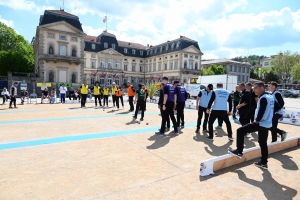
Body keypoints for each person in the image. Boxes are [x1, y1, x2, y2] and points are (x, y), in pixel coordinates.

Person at [228, 82, 275, 170]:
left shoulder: (264, 98)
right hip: (267, 123)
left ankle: (239, 151)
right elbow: (275, 107)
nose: (254, 89)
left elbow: (262, 110)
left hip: (261, 123)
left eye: (256, 88)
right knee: (263, 142)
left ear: (261, 88)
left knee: (240, 131)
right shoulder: (270, 96)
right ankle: (264, 163)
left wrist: (256, 120)